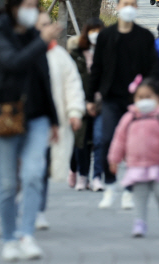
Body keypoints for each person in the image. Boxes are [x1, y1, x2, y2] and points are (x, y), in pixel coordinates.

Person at [0, 0, 62, 260]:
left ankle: (26, 234)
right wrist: (41, 43)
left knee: (32, 175)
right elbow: (12, 62)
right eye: (27, 6)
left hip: (38, 117)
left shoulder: (33, 35)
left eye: (35, 7)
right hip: (7, 114)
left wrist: (54, 119)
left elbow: (45, 78)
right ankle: (8, 239)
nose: (32, 12)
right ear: (14, 6)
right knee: (7, 184)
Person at [89, 0, 158, 210]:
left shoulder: (145, 37)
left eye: (132, 4)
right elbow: (96, 69)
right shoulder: (106, 36)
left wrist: (152, 96)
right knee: (107, 140)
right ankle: (110, 186)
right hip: (110, 98)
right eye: (125, 4)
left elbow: (153, 70)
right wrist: (90, 98)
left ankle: (129, 190)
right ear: (118, 7)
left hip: (136, 101)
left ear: (136, 8)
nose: (128, 8)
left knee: (134, 146)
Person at [107, 77, 159, 237]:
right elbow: (119, 139)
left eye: (148, 97)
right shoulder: (130, 117)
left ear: (158, 97)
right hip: (136, 165)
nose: (143, 101)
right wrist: (114, 159)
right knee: (139, 196)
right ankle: (139, 222)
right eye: (140, 97)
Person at [35, 13, 85, 231]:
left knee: (41, 168)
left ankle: (37, 211)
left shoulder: (59, 55)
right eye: (41, 25)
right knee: (27, 170)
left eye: (48, 24)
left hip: (50, 124)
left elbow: (72, 84)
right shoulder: (19, 52)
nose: (47, 29)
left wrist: (74, 111)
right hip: (23, 122)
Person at [68, 18, 105, 192]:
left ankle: (97, 176)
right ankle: (82, 176)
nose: (95, 35)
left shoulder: (108, 53)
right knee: (81, 141)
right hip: (80, 102)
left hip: (101, 103)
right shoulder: (76, 54)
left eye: (99, 31)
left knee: (98, 140)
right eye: (92, 30)